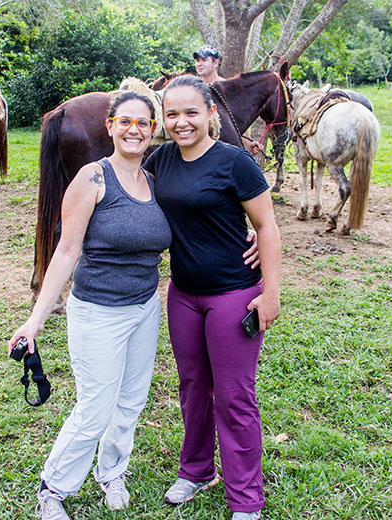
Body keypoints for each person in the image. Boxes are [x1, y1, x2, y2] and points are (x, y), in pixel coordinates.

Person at [7, 90, 172, 519]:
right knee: (96, 407)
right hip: (98, 310)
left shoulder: (155, 182)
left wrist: (242, 237)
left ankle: (112, 471)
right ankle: (53, 488)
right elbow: (66, 252)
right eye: (125, 122)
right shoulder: (92, 178)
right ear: (111, 126)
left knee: (132, 401)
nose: (134, 130)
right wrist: (35, 319)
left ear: (153, 130)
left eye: (143, 123)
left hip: (145, 308)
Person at [143, 75, 281, 520]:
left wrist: (271, 294)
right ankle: (197, 470)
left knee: (234, 395)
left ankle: (246, 499)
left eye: (190, 112)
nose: (181, 122)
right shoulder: (160, 159)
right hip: (183, 294)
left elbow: (267, 227)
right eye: (172, 114)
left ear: (211, 114)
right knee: (192, 387)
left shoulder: (235, 163)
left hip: (233, 295)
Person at [193, 44, 265, 156]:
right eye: (197, 61)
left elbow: (237, 120)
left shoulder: (227, 89)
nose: (199, 64)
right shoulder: (192, 87)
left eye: (204, 60)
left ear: (215, 63)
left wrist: (248, 143)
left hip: (224, 150)